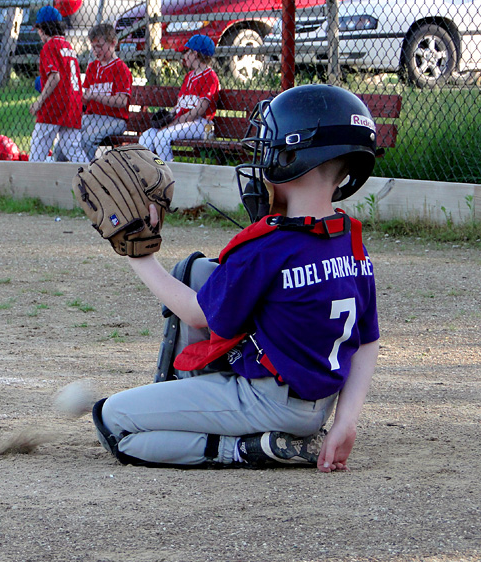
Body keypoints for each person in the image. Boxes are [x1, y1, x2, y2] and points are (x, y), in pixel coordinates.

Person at [92, 84, 380, 472]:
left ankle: (244, 449)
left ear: (292, 158)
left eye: (271, 149)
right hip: (318, 407)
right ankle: (269, 433)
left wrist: (138, 256)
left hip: (266, 399)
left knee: (113, 421)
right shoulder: (352, 240)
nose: (262, 159)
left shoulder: (269, 244)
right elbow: (366, 341)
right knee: (201, 273)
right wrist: (346, 422)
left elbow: (199, 315)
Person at [55, 23, 132, 162]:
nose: (97, 51)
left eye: (100, 46)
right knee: (65, 139)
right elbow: (85, 100)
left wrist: (95, 96)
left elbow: (122, 101)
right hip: (91, 116)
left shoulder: (120, 68)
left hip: (115, 119)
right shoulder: (92, 67)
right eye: (93, 47)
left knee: (86, 139)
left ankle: (87, 174)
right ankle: (61, 173)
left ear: (113, 43)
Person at [138, 34, 219, 162]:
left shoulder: (210, 77)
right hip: (181, 122)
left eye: (186, 52)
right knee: (146, 136)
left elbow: (199, 111)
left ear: (195, 53)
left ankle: (170, 175)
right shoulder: (189, 77)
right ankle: (148, 173)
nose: (184, 56)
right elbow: (180, 105)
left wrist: (172, 124)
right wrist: (167, 117)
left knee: (162, 137)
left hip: (201, 124)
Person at [28, 6, 87, 163]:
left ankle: (31, 182)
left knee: (38, 147)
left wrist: (39, 101)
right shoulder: (68, 46)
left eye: (38, 29)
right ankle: (89, 176)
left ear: (42, 29)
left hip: (54, 104)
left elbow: (55, 76)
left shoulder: (49, 47)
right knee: (72, 148)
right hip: (73, 103)